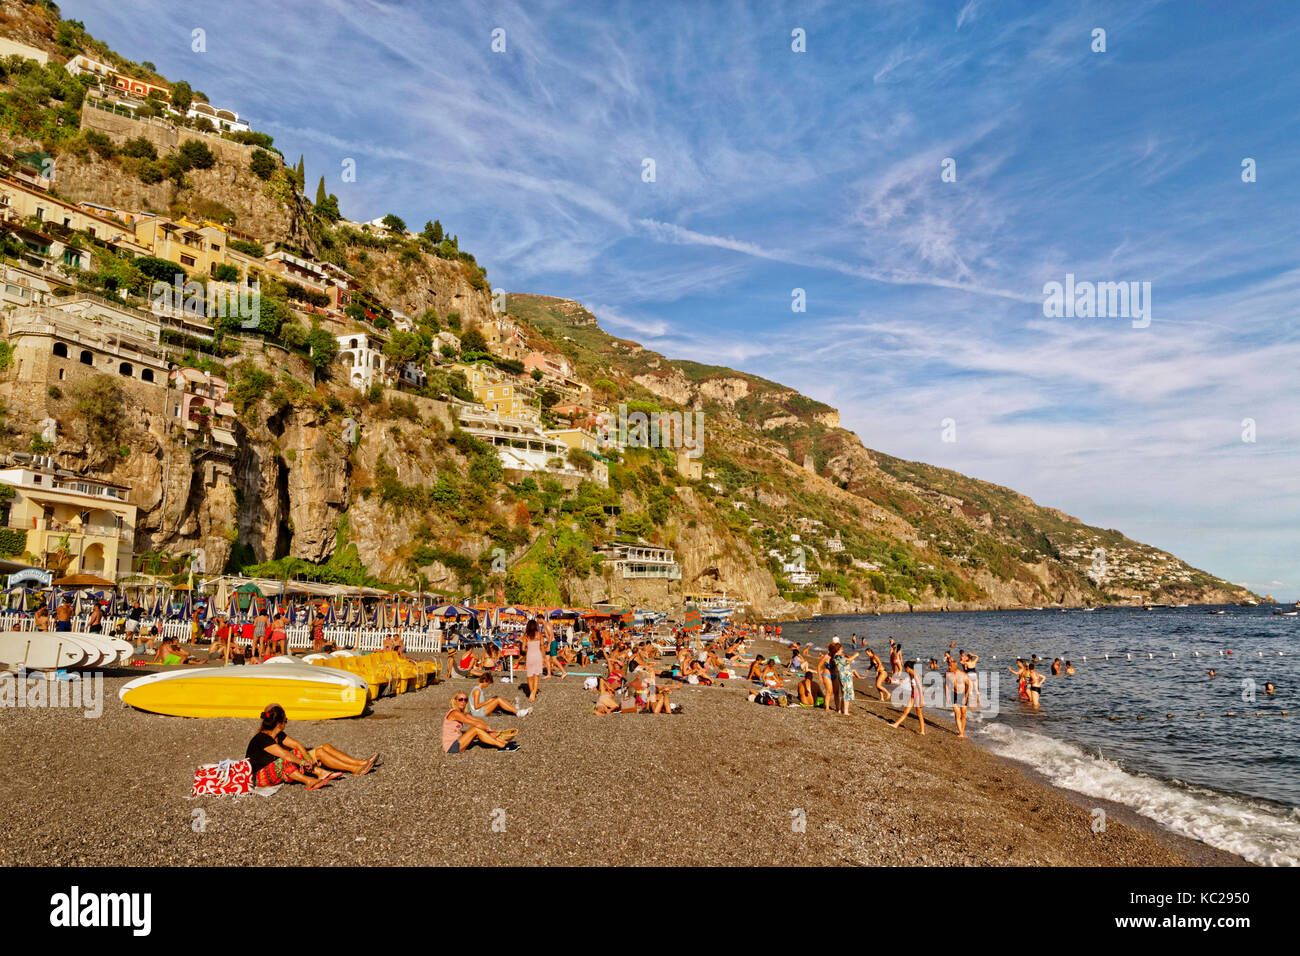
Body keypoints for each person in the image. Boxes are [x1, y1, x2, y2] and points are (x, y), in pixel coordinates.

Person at [246, 704, 375, 789]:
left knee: (323, 748)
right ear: (279, 723)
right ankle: (315, 777)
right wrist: (303, 761)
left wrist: (307, 756)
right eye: (286, 721)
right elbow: (285, 755)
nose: (286, 723)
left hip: (280, 768)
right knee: (289, 757)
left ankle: (357, 765)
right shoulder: (262, 739)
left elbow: (297, 745)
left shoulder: (278, 734)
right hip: (259, 776)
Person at [443, 692, 518, 753]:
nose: (463, 702)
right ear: (455, 701)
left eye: (465, 700)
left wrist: (491, 730)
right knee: (476, 729)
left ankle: (504, 743)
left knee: (480, 729)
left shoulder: (461, 713)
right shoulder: (455, 713)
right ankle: (502, 746)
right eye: (460, 699)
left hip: (458, 741)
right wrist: (490, 730)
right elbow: (475, 724)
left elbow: (478, 720)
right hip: (452, 747)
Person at [890, 660, 926, 735]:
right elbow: (906, 683)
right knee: (906, 711)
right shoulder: (910, 674)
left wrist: (922, 700)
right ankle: (896, 724)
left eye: (905, 668)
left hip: (918, 696)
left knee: (919, 714)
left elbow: (920, 687)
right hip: (913, 696)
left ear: (908, 667)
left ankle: (922, 731)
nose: (904, 670)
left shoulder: (915, 675)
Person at [946, 659, 970, 738]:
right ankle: (961, 733)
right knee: (957, 714)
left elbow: (968, 686)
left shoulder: (963, 674)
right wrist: (947, 695)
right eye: (949, 665)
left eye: (950, 666)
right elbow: (946, 685)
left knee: (963, 714)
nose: (949, 667)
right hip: (954, 694)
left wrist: (966, 697)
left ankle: (962, 731)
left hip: (963, 694)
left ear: (954, 667)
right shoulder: (948, 674)